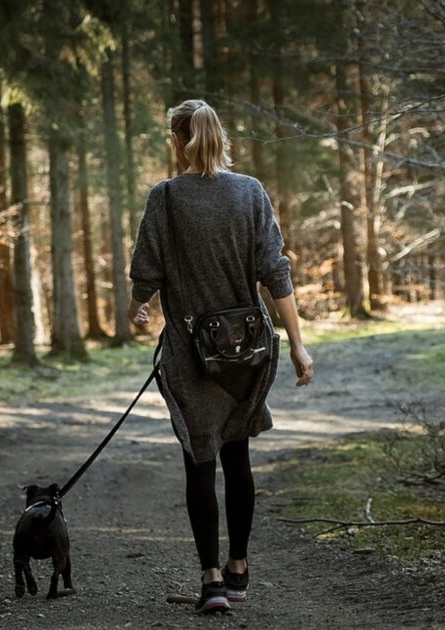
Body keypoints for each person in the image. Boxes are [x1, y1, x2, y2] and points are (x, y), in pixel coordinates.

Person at [127, 99, 314, 615]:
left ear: (176, 139)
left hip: (191, 351)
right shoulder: (250, 192)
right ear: (218, 136)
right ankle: (238, 569)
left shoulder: (165, 198)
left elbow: (146, 273)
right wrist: (297, 342)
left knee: (199, 460)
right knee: (238, 457)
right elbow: (275, 272)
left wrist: (136, 311)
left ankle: (210, 580)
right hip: (249, 348)